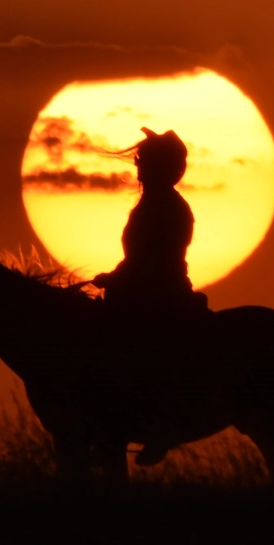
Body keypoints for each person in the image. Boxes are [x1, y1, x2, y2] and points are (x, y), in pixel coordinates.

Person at [93, 128, 208, 465]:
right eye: (139, 159)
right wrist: (114, 276)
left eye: (145, 160)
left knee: (140, 349)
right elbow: (138, 257)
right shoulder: (155, 203)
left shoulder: (166, 207)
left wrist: (117, 277)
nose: (137, 165)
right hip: (144, 288)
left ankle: (159, 425)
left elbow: (152, 259)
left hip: (161, 293)